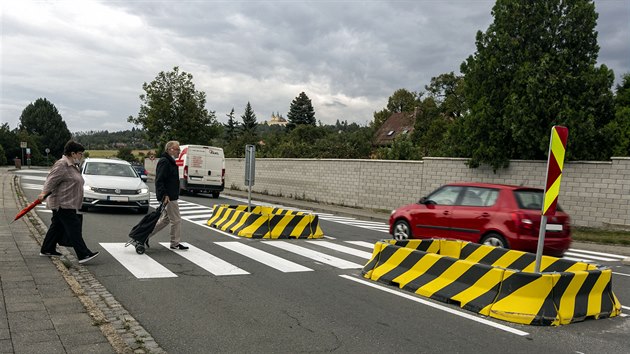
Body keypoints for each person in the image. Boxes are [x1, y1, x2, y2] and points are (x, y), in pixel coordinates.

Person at [39, 140, 100, 263]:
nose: (81, 156)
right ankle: (83, 254)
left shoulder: (73, 166)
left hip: (69, 202)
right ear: (72, 153)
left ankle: (47, 249)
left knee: (57, 226)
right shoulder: (62, 164)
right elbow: (51, 180)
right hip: (63, 203)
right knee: (74, 228)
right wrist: (44, 193)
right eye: (80, 153)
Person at [147, 140, 188, 250]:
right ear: (170, 149)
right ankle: (175, 243)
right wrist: (164, 194)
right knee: (176, 220)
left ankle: (145, 235)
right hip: (168, 197)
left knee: (165, 220)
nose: (179, 151)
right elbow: (159, 180)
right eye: (177, 149)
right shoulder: (165, 161)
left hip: (169, 196)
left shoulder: (169, 161)